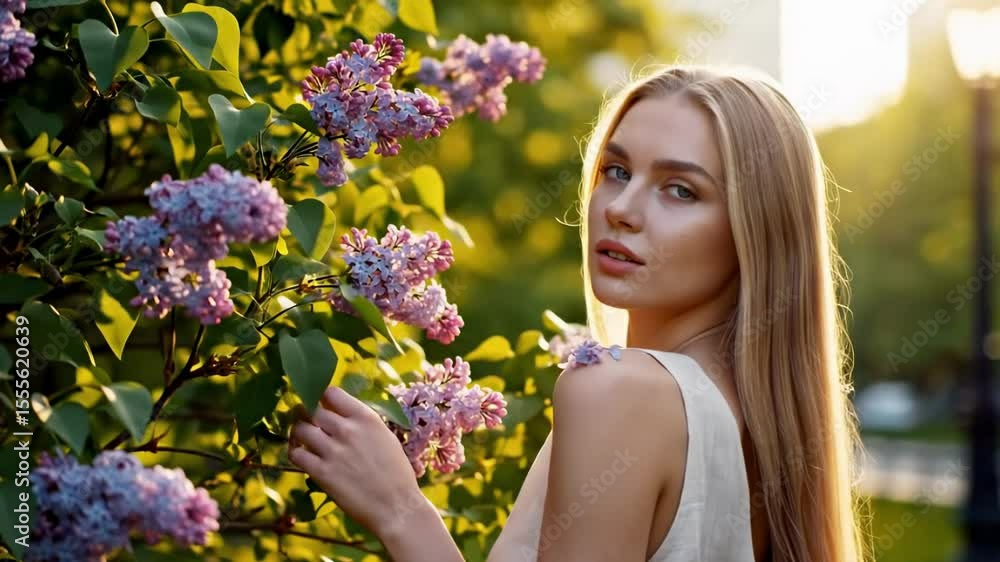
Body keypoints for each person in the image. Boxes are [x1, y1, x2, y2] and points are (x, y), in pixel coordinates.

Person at [287, 64, 872, 562]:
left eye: (681, 190)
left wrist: (401, 512)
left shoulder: (617, 391)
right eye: (616, 171)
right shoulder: (759, 425)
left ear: (755, 231)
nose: (620, 208)